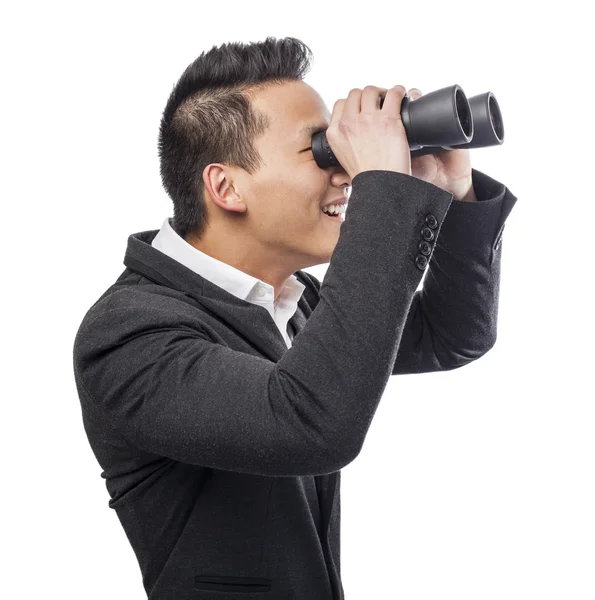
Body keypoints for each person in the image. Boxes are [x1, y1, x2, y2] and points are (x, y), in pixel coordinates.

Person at [72, 36, 518, 600]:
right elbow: (313, 424)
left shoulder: (288, 300)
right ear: (226, 186)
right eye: (321, 150)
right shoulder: (130, 333)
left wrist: (451, 193)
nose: (347, 173)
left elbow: (452, 335)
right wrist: (386, 192)